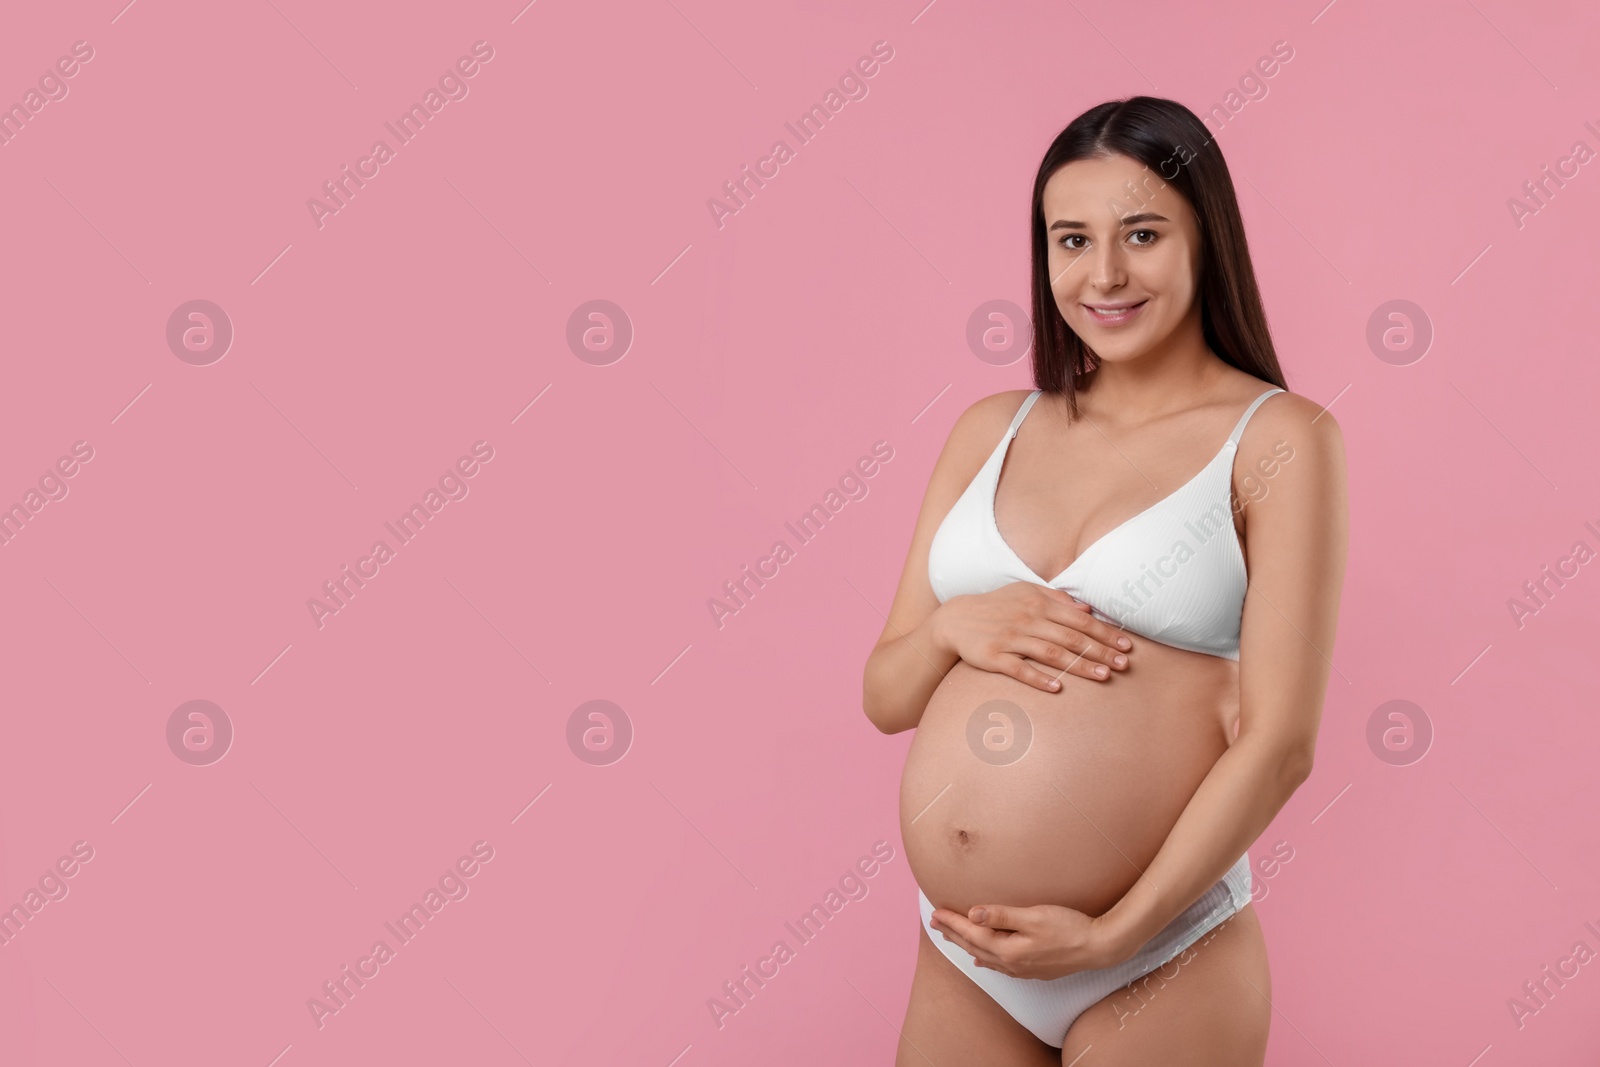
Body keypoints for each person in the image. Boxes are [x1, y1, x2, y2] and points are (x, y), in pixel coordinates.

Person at [862, 96, 1348, 1065]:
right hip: (967, 951)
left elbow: (1280, 743)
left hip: (1159, 956)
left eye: (1142, 234)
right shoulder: (988, 427)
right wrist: (957, 626)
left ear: (1206, 240)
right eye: (1071, 239)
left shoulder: (1280, 440)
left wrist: (1113, 931)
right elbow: (885, 695)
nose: (1105, 274)